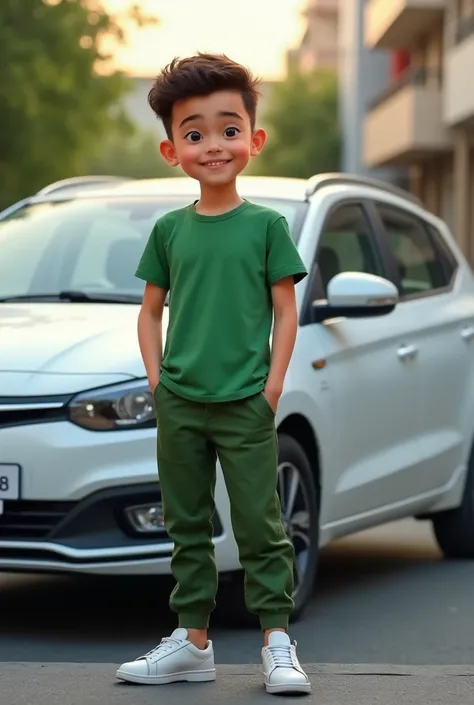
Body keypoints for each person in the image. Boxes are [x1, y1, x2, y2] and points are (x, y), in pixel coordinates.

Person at [116, 53, 310, 696]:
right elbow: (149, 314)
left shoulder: (266, 226)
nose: (214, 146)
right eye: (194, 134)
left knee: (262, 525)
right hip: (180, 400)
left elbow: (287, 312)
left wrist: (272, 387)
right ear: (172, 150)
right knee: (186, 523)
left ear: (253, 140)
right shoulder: (169, 231)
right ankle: (191, 644)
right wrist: (155, 379)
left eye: (229, 130)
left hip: (245, 402)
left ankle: (277, 643)